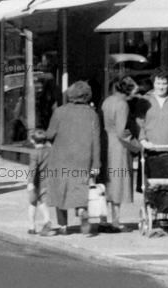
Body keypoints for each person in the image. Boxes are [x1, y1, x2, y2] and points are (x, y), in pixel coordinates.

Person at [45, 81, 101, 236]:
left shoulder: (60, 111)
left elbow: (50, 134)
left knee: (59, 189)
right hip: (82, 158)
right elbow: (96, 141)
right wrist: (96, 163)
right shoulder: (92, 114)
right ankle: (82, 210)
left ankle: (63, 225)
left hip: (60, 157)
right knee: (79, 188)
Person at [99, 78, 141, 233]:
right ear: (127, 91)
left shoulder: (107, 101)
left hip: (106, 143)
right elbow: (122, 131)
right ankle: (116, 221)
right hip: (118, 145)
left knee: (107, 182)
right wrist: (137, 145)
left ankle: (103, 219)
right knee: (118, 182)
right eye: (134, 92)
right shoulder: (122, 104)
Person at [27, 129, 52, 236]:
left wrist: (30, 183)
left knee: (32, 203)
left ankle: (32, 227)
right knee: (43, 201)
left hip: (36, 181)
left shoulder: (34, 154)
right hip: (47, 180)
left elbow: (33, 169)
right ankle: (47, 220)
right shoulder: (50, 150)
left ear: (33, 140)